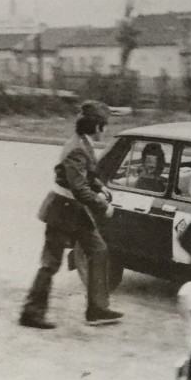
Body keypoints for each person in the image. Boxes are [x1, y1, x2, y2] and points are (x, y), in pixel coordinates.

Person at [19, 100, 123, 329]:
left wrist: (100, 187)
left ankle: (97, 309)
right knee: (50, 263)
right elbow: (78, 187)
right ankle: (31, 312)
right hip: (62, 210)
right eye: (104, 125)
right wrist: (102, 205)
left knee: (98, 250)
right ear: (96, 126)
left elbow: (88, 175)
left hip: (73, 209)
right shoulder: (77, 148)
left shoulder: (83, 143)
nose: (106, 129)